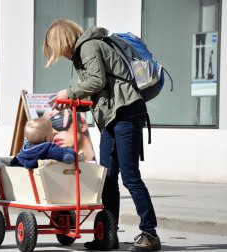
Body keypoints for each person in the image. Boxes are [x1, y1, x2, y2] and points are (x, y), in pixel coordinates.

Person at [44, 19, 160, 251]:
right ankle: (108, 235)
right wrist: (71, 103)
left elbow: (96, 82)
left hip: (126, 113)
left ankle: (150, 233)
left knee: (130, 176)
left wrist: (70, 91)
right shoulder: (84, 51)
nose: (63, 56)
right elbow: (101, 94)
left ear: (65, 41)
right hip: (112, 116)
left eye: (60, 50)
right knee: (107, 178)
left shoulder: (88, 47)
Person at [11, 117, 76, 168]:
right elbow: (60, 153)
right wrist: (69, 151)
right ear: (47, 138)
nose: (54, 133)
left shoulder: (25, 149)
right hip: (46, 176)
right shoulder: (48, 148)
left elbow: (18, 158)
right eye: (51, 132)